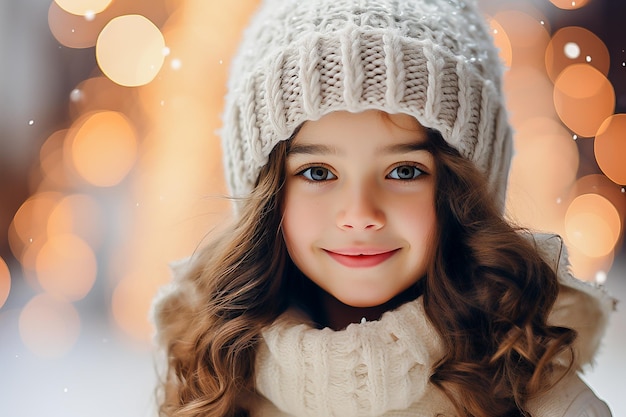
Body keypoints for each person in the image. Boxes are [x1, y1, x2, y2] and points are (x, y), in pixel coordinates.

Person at [151, 0, 616, 416]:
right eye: (317, 173)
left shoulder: (542, 400)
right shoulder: (211, 386)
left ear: (463, 191)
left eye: (404, 171)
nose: (359, 213)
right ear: (267, 197)